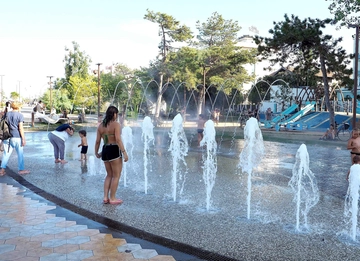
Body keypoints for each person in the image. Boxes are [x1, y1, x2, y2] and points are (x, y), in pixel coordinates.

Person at [95, 106, 128, 205]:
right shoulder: (116, 124)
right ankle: (112, 198)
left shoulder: (101, 126)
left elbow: (97, 141)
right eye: (116, 114)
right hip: (114, 149)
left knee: (109, 175)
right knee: (116, 176)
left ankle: (105, 197)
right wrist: (124, 152)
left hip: (105, 149)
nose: (117, 116)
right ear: (114, 114)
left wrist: (97, 152)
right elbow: (118, 139)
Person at [0, 101, 30, 176]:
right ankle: (21, 169)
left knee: (6, 154)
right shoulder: (20, 115)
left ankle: (2, 170)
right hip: (16, 137)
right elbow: (20, 128)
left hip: (7, 137)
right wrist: (23, 139)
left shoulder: (7, 114)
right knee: (20, 154)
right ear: (19, 107)